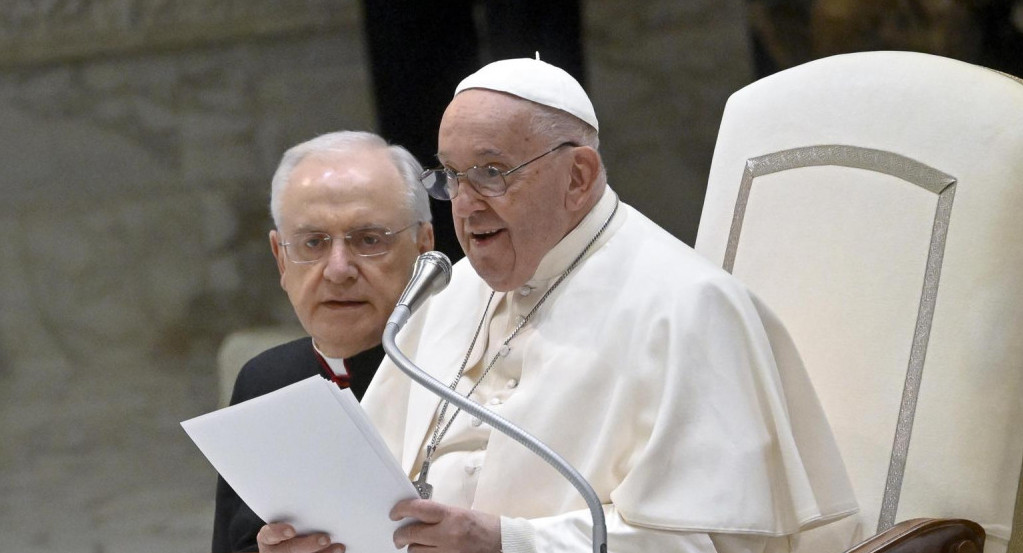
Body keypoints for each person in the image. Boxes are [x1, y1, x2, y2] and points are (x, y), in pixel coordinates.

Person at [257, 58, 858, 553]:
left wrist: (508, 543)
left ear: (578, 176)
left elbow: (712, 545)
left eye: (491, 173)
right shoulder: (451, 294)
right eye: (452, 176)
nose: (464, 205)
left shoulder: (686, 308)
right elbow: (375, 493)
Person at [211, 131, 434, 553]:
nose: (338, 269)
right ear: (280, 257)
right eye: (312, 243)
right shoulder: (266, 381)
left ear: (423, 246)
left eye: (369, 240)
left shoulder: (471, 367)